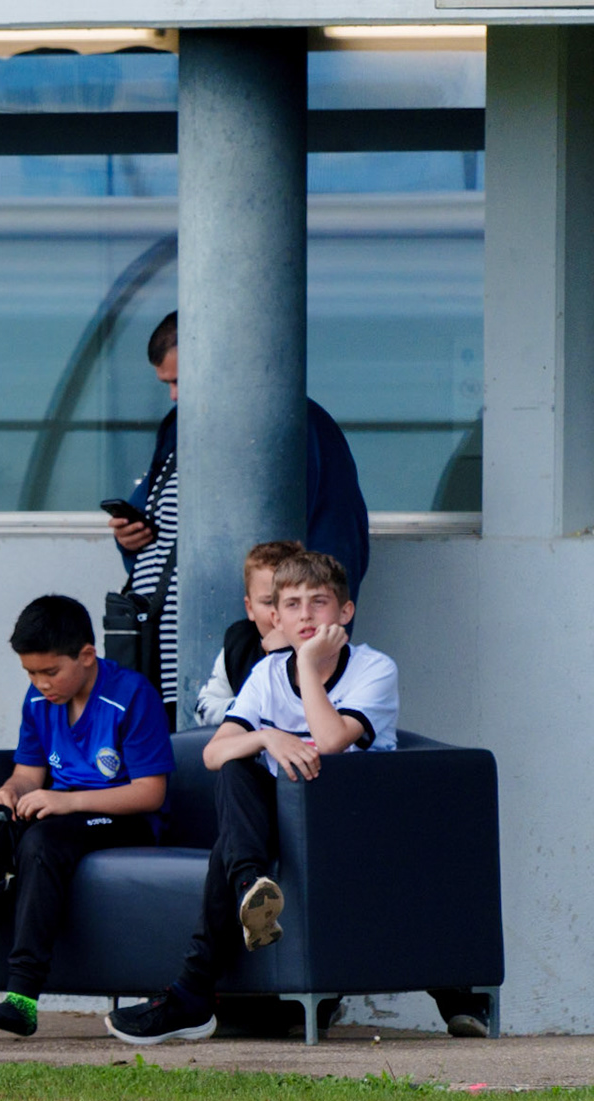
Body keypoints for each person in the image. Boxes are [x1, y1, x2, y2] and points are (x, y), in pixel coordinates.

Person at [107, 552, 399, 1046]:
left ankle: (192, 994)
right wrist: (266, 738)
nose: (306, 616)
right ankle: (250, 888)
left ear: (345, 613)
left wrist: (306, 664)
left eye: (319, 603)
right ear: (276, 617)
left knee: (229, 845)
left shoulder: (374, 668)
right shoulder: (266, 673)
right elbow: (215, 752)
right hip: (277, 818)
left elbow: (329, 742)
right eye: (292, 605)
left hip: (347, 816)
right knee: (239, 765)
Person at [0, 595, 173, 1044]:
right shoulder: (39, 700)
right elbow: (28, 774)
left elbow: (151, 793)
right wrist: (8, 794)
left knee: (41, 841)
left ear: (87, 656)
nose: (41, 683)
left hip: (121, 821)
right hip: (60, 813)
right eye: (31, 674)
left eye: (50, 672)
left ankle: (23, 999)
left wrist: (68, 802)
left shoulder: (132, 695)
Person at [108, 311, 369, 723]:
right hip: (163, 654)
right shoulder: (178, 428)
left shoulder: (295, 424)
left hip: (263, 652)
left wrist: (314, 644)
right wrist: (131, 537)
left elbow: (339, 544)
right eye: (167, 384)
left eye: (181, 381)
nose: (174, 396)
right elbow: (154, 517)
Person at [193, 540, 302, 726]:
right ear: (250, 608)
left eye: (291, 603)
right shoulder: (240, 642)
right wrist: (250, 708)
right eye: (268, 602)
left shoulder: (323, 648)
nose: (278, 614)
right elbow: (204, 709)